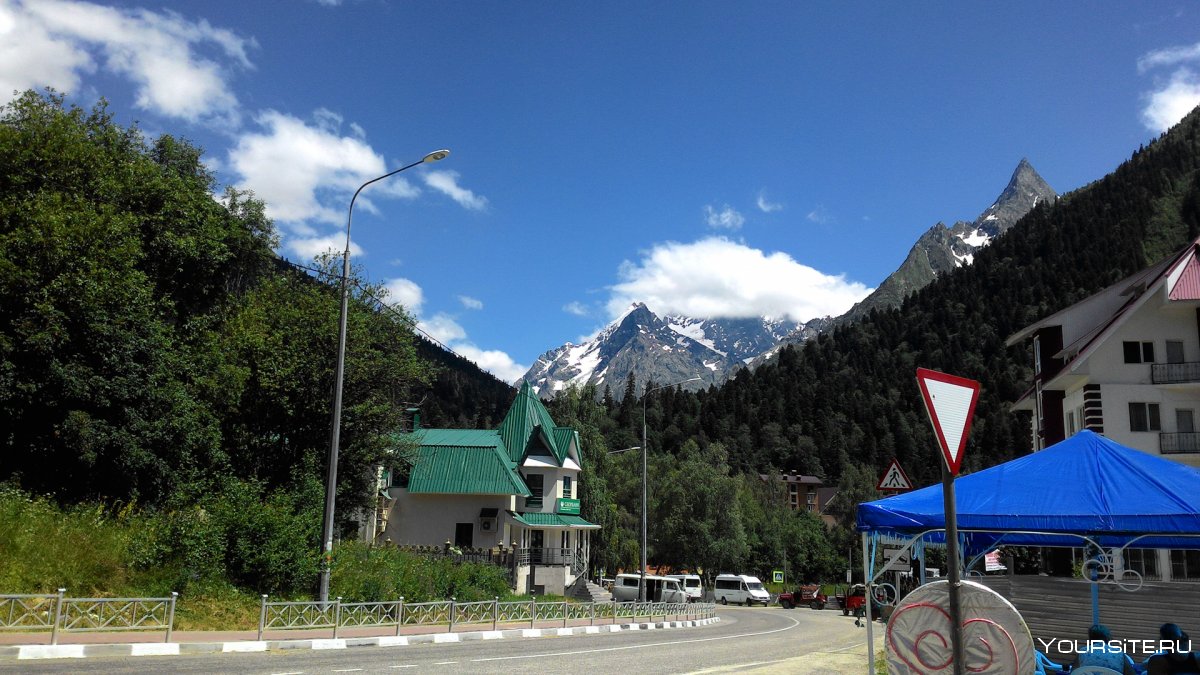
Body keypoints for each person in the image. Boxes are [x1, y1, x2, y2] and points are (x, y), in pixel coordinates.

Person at [1070, 624, 1136, 675]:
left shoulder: (1083, 651)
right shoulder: (1119, 653)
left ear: (1090, 639)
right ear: (1108, 638)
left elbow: (1074, 672)